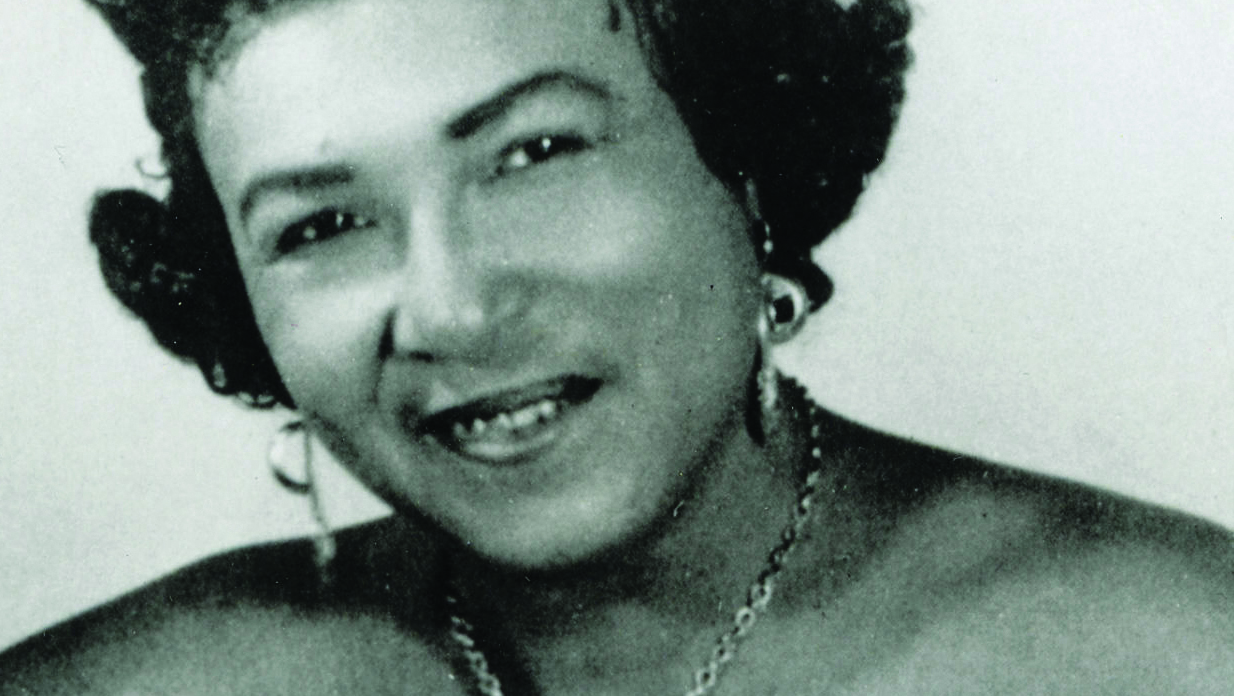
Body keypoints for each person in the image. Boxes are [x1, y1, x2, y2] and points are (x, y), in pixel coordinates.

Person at [2, 0, 1232, 693]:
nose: (450, 310)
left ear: (741, 166)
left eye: (534, 153)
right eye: (322, 223)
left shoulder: (1175, 652)